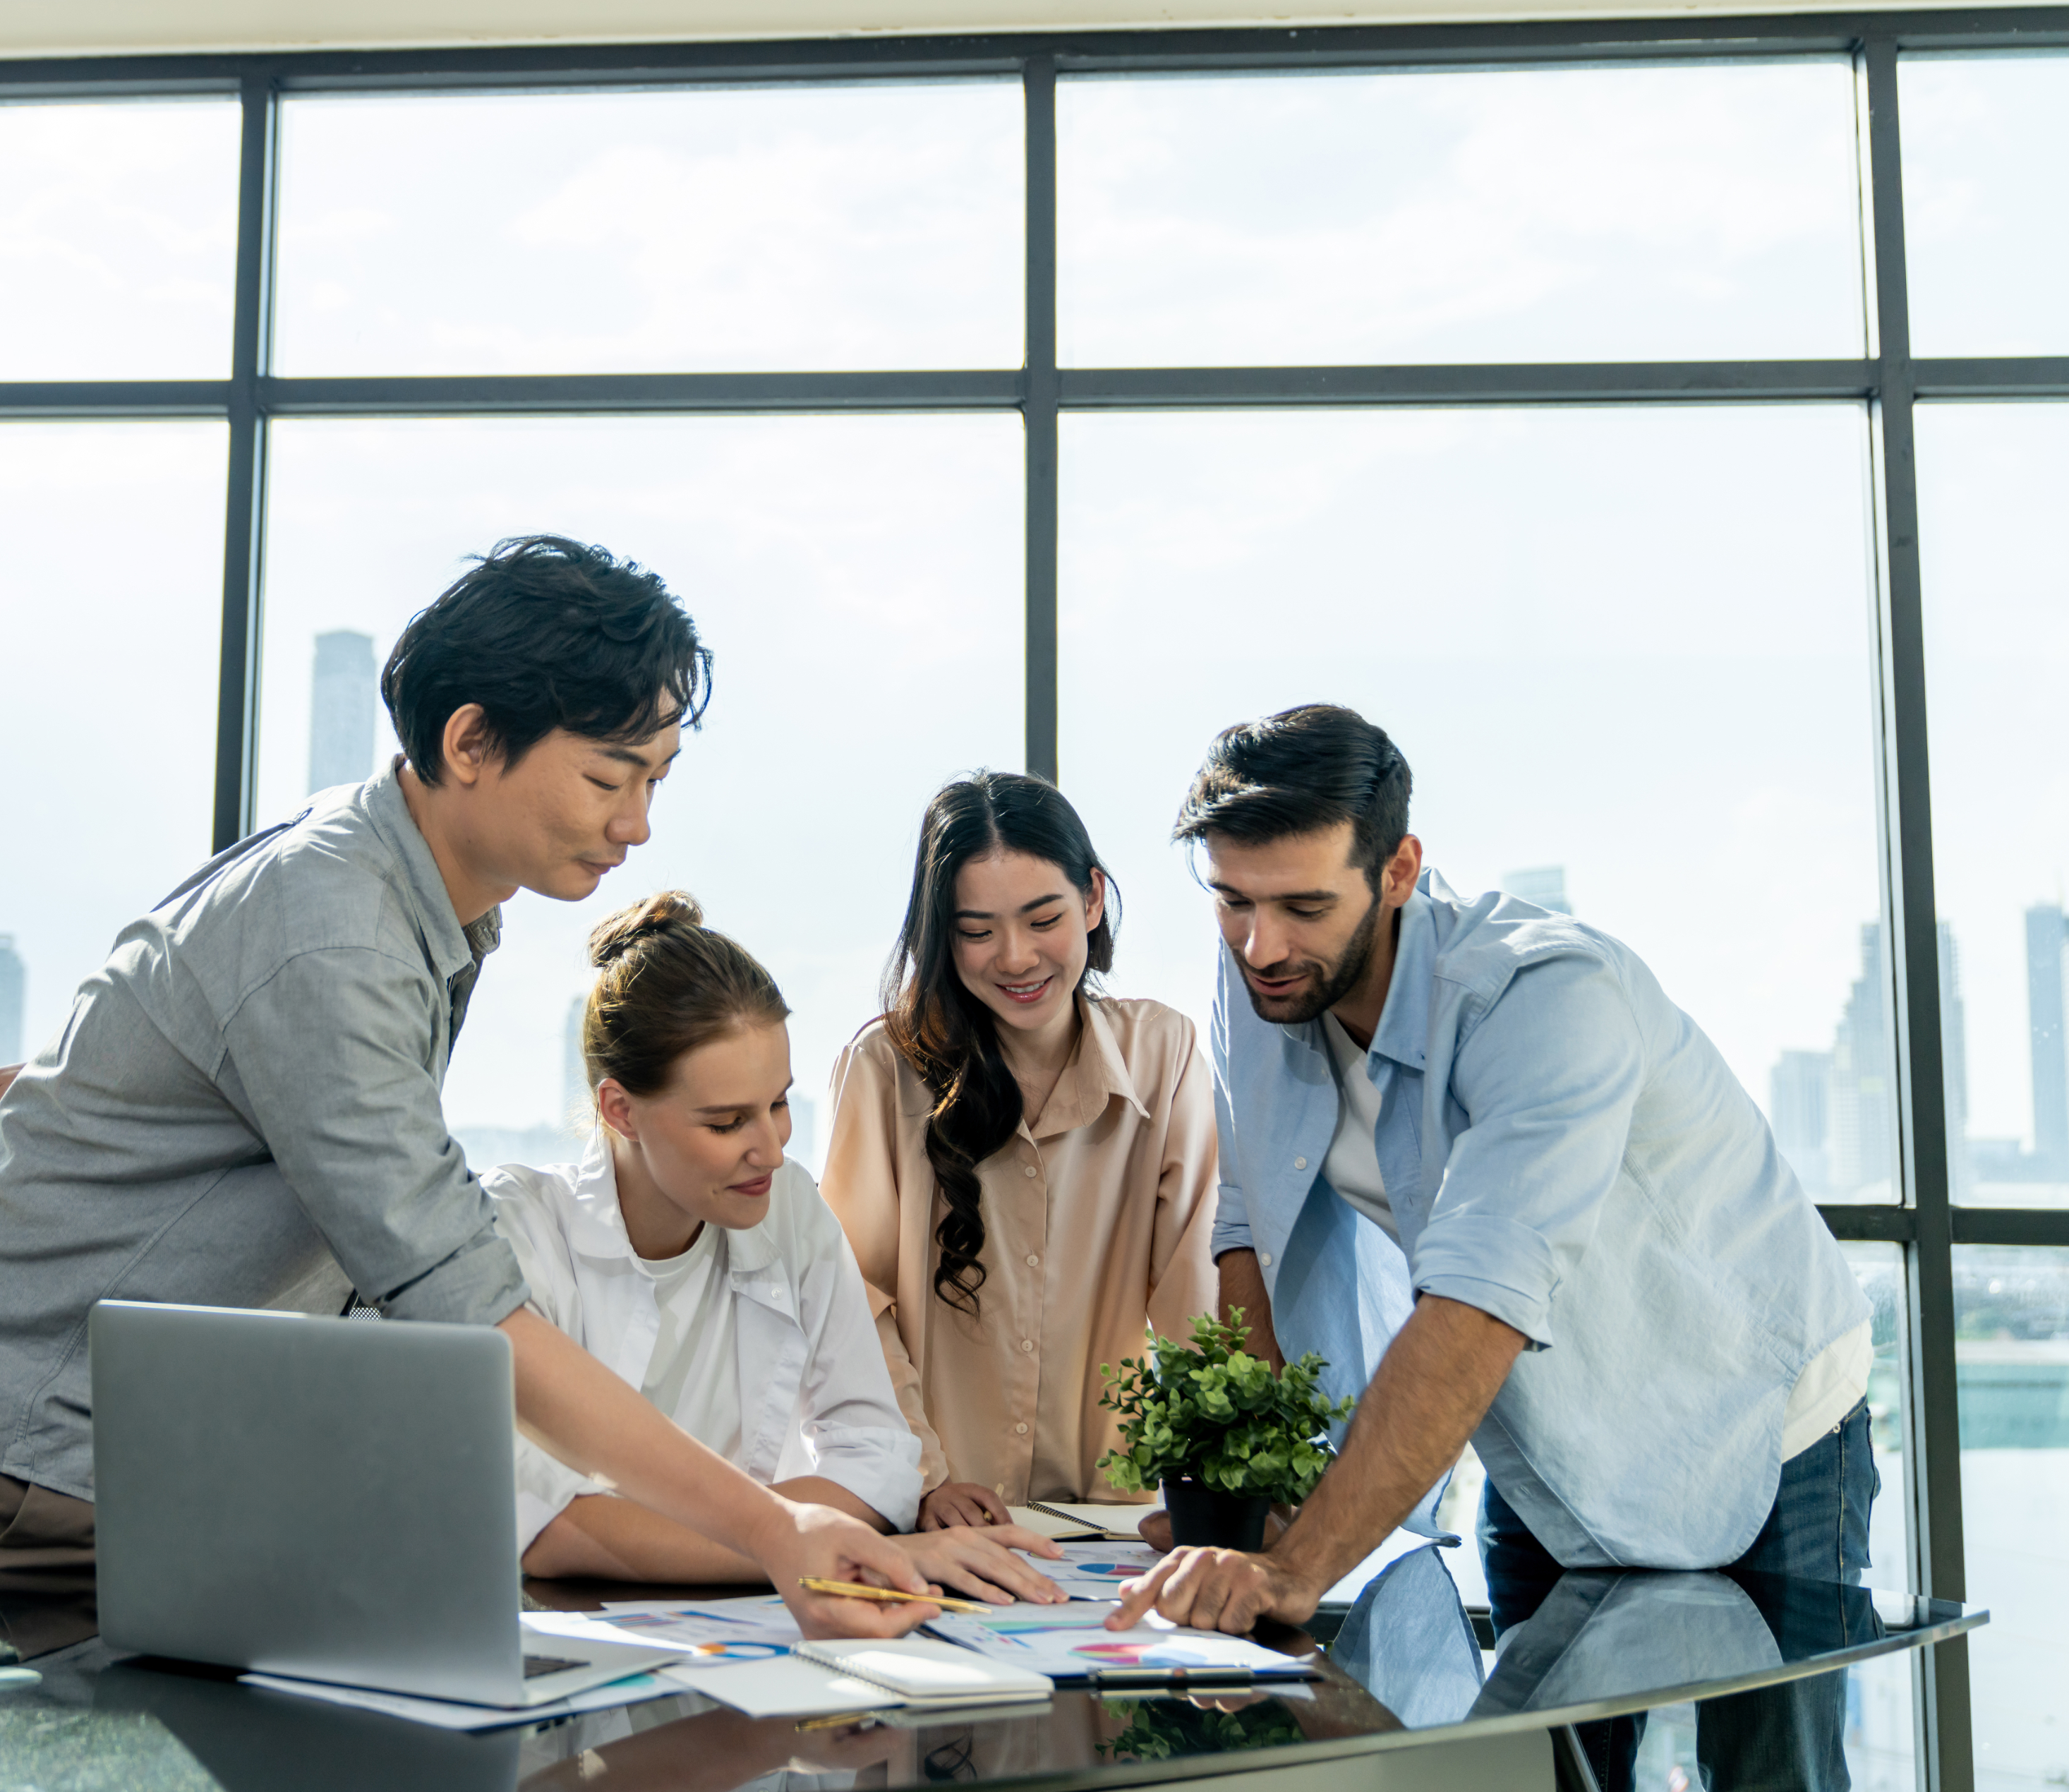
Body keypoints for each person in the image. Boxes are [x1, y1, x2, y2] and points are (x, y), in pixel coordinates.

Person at [0, 536, 943, 1639]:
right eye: (605, 776)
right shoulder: (339, 924)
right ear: (471, 740)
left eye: (652, 780)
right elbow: (468, 1314)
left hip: (149, 1439)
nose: (635, 823)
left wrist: (78, 1101)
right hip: (50, 1453)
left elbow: (213, 1022)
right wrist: (773, 1528)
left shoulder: (401, 892)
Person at [1108, 705, 1872, 1786]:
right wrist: (1263, 1489)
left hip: (1754, 1414)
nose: (1260, 943)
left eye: (1302, 904)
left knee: (1769, 1778)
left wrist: (1294, 1566)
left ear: (1400, 868)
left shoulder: (1548, 997)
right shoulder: (1263, 972)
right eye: (1231, 900)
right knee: (1534, 1770)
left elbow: (1475, 1304)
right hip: (1544, 1433)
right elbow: (1248, 1237)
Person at [491, 891, 1068, 1605]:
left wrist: (794, 1539)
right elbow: (541, 1529)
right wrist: (797, 1543)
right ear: (620, 1110)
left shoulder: (786, 1204)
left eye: (778, 1103)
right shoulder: (512, 1231)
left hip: (743, 1630)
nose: (770, 1147)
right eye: (727, 1121)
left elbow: (880, 1460)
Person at [821, 771, 1222, 1533]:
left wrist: (1212, 1482)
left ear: (1092, 899)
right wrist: (922, 1476)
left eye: (1043, 919)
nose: (1014, 957)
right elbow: (852, 1305)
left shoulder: (1160, 1054)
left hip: (1108, 1519)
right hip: (932, 1519)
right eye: (976, 930)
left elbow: (1195, 1296)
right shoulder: (884, 1067)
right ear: (941, 933)